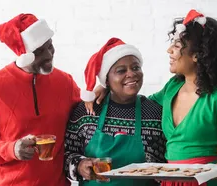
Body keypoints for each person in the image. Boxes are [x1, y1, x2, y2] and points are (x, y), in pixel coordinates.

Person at [87, 10, 217, 186]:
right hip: (171, 181)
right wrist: (107, 84)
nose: (169, 50)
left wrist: (198, 174)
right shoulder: (173, 87)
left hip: (206, 182)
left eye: (177, 45)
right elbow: (139, 102)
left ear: (197, 55)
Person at [0, 13, 80, 186]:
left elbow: (87, 119)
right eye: (40, 51)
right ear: (24, 54)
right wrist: (11, 149)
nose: (49, 54)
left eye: (50, 46)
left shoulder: (65, 82)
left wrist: (101, 88)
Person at [64, 37, 166, 186]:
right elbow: (63, 155)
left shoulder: (155, 112)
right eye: (121, 71)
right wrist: (79, 165)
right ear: (107, 80)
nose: (131, 74)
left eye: (136, 67)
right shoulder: (87, 112)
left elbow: (168, 163)